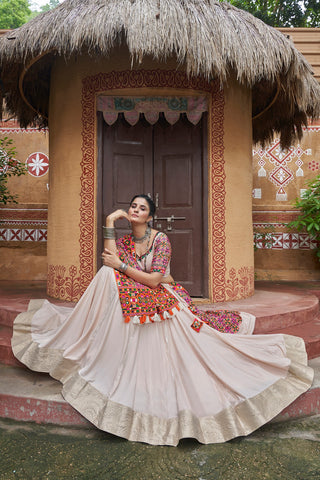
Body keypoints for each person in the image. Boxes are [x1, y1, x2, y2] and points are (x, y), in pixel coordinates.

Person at [12, 194, 313, 446]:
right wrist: (108, 223)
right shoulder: (127, 242)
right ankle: (100, 339)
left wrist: (122, 268)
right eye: (132, 207)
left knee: (117, 276)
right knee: (106, 273)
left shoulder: (161, 240)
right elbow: (110, 261)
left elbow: (156, 280)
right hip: (136, 291)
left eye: (142, 208)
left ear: (150, 217)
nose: (135, 211)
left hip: (163, 294)